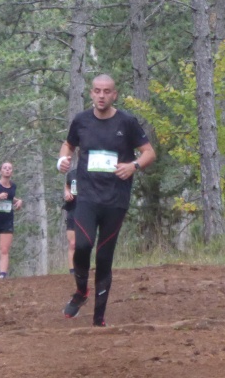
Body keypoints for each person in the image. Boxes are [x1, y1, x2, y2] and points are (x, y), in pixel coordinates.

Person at [57, 74, 156, 327]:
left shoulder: (127, 122)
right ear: (91, 93)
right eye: (97, 91)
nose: (101, 96)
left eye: (107, 91)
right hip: (87, 197)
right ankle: (81, 291)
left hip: (115, 199)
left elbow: (149, 152)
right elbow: (68, 145)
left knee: (104, 257)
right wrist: (62, 160)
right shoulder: (81, 121)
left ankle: (98, 319)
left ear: (114, 94)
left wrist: (133, 166)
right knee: (82, 245)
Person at [62, 169, 78, 275]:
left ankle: (82, 267)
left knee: (84, 243)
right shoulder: (72, 174)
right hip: (72, 210)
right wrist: (67, 192)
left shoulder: (92, 172)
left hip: (87, 211)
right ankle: (72, 270)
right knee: (72, 243)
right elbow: (67, 186)